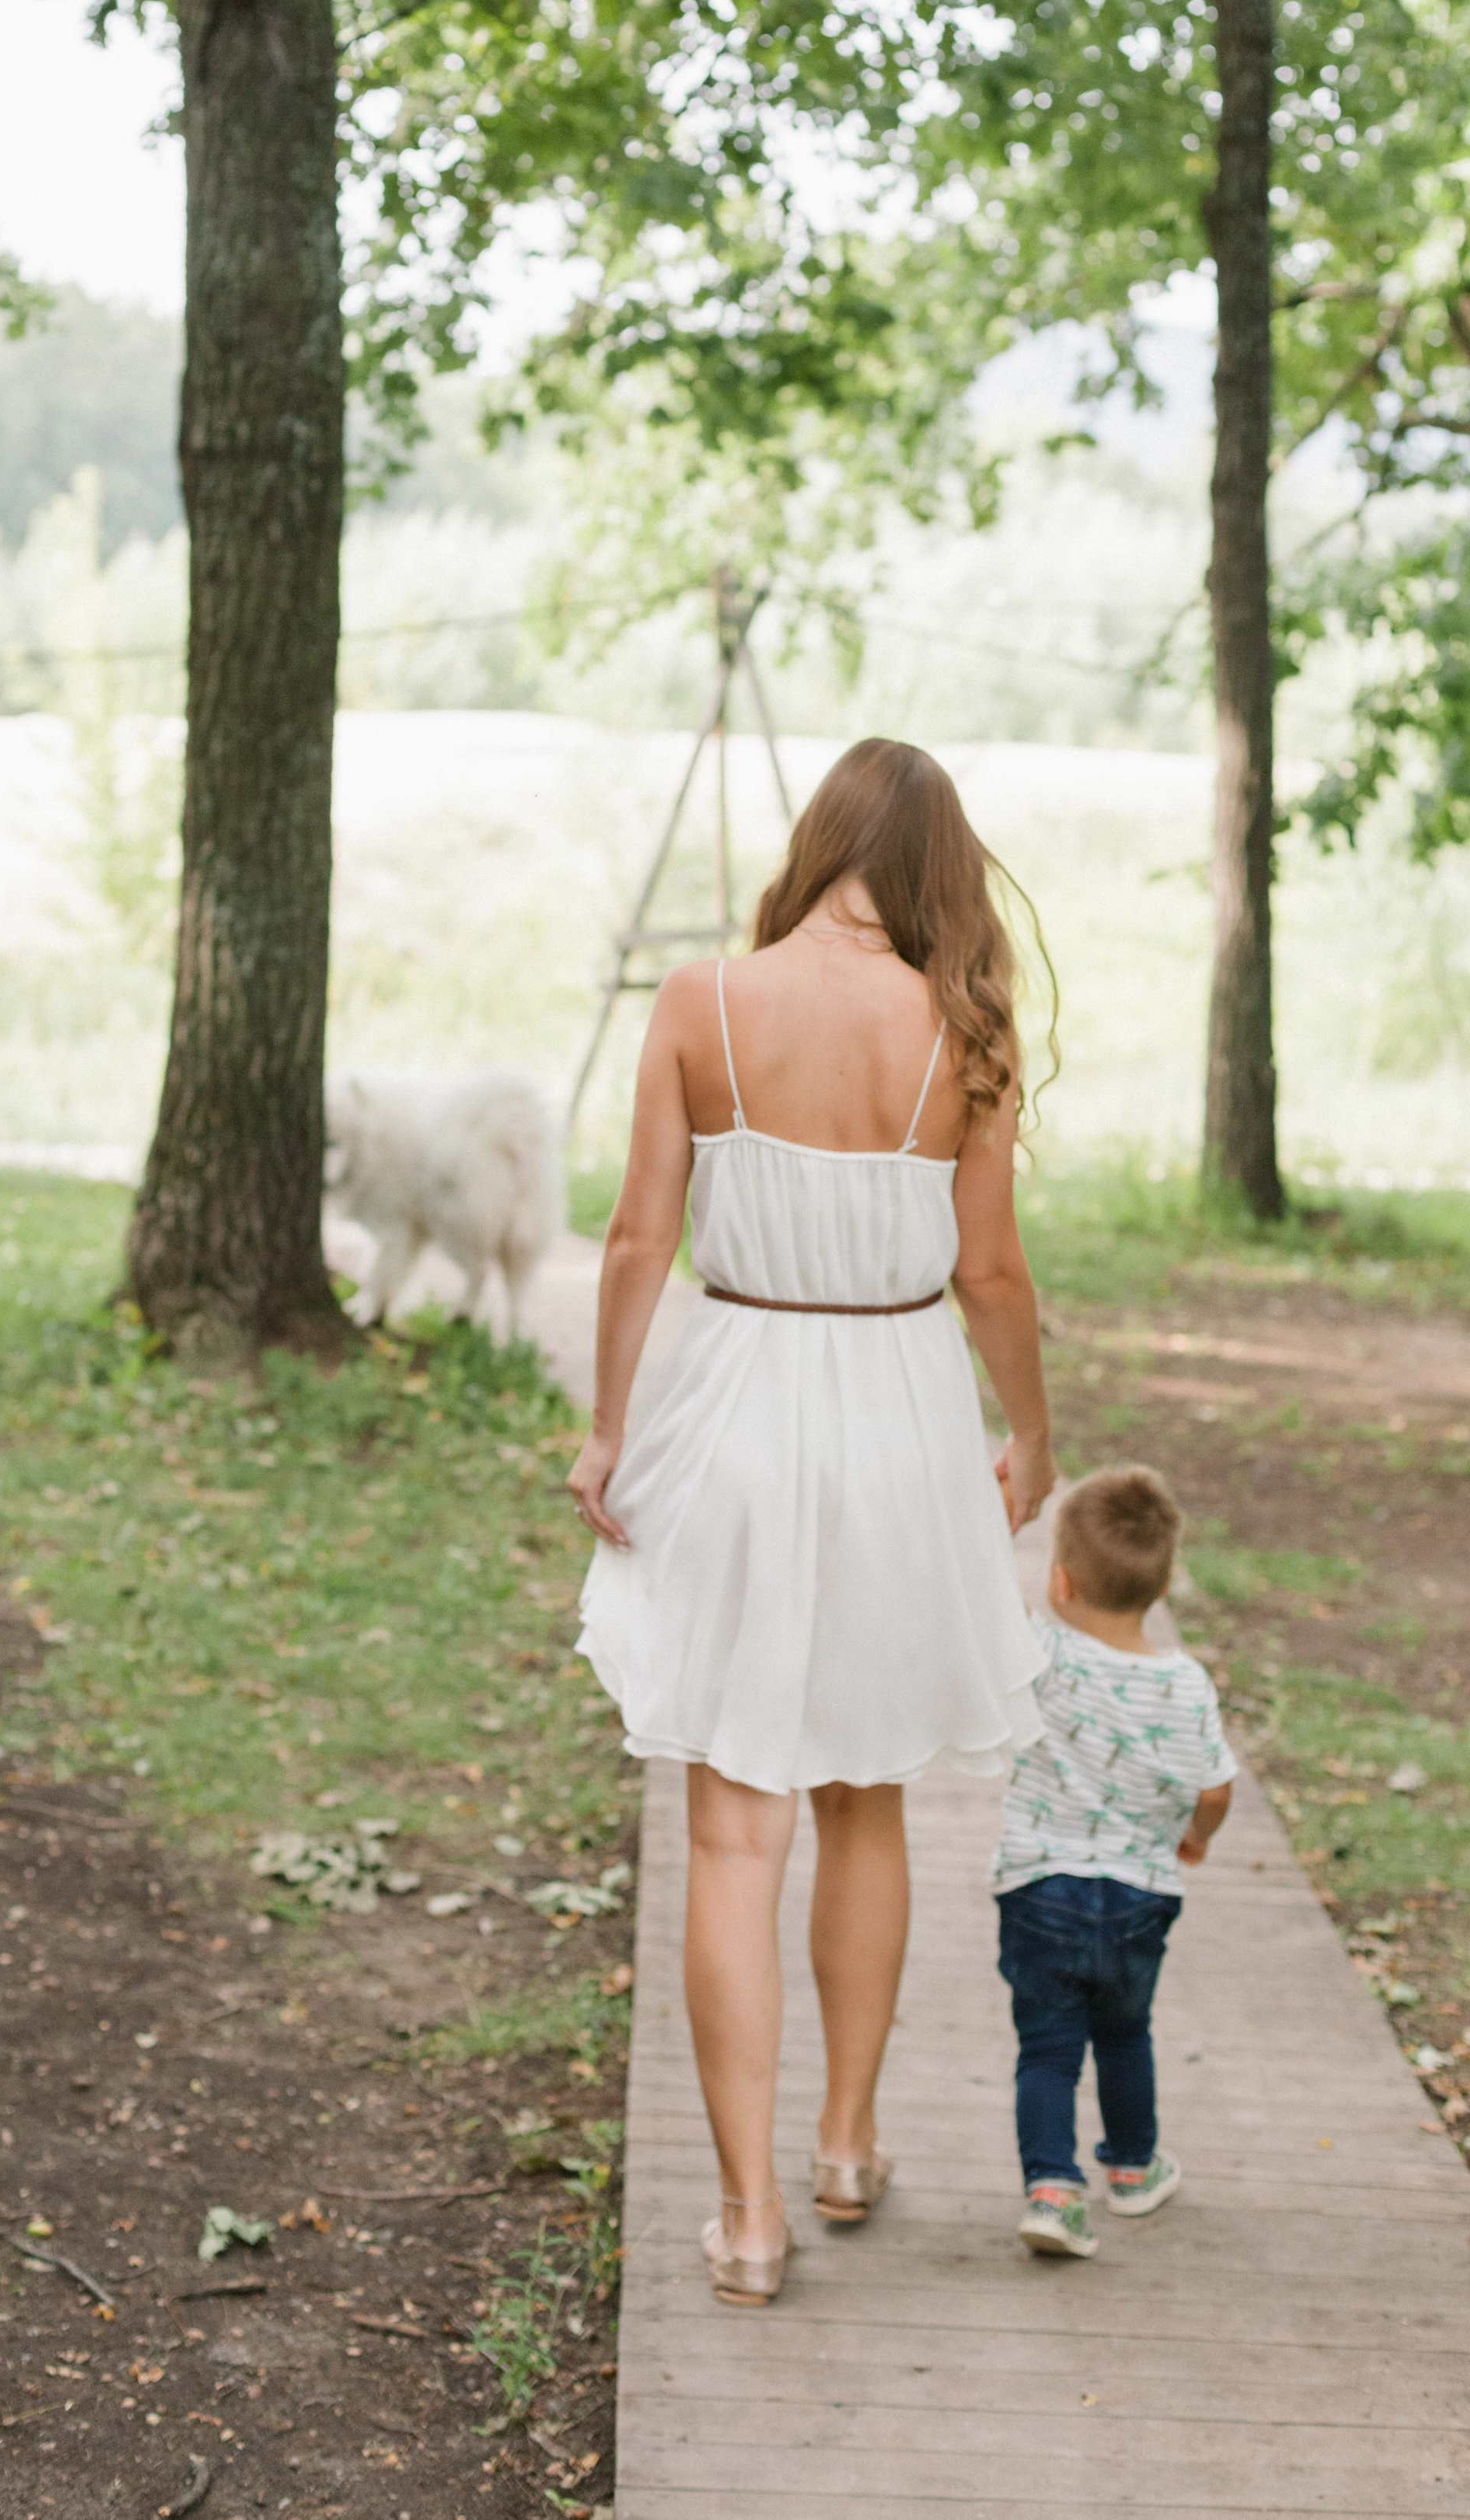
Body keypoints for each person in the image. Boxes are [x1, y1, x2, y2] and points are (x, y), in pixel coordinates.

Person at [567, 736, 1057, 2306]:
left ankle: (748, 2214)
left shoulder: (699, 1001)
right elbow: (988, 1274)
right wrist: (1029, 1433)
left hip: (736, 1401)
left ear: (815, 844)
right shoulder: (959, 1026)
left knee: (729, 1823)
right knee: (865, 1795)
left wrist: (603, 1430)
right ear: (934, 875)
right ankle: (845, 2144)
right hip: (900, 1415)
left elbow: (641, 1235)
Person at [993, 1464, 1235, 2260]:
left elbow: (981, 1610)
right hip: (1139, 1895)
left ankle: (1052, 2191)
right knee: (1125, 2035)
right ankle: (1132, 2169)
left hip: (1040, 1888)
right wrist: (1195, 1835)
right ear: (1159, 1589)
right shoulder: (1185, 1684)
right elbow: (1213, 1785)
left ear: (1060, 1580)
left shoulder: (1041, 1655)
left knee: (1048, 2048)